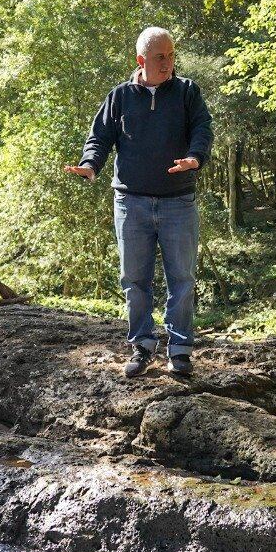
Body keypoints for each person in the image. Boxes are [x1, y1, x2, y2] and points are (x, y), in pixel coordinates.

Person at [65, 27, 214, 378]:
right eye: (160, 56)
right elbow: (98, 137)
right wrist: (90, 165)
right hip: (131, 203)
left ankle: (179, 350)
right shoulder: (119, 97)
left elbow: (203, 129)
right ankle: (142, 345)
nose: (168, 63)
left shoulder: (187, 92)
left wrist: (195, 157)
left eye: (172, 55)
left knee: (182, 278)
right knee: (134, 279)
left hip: (179, 201)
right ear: (141, 60)